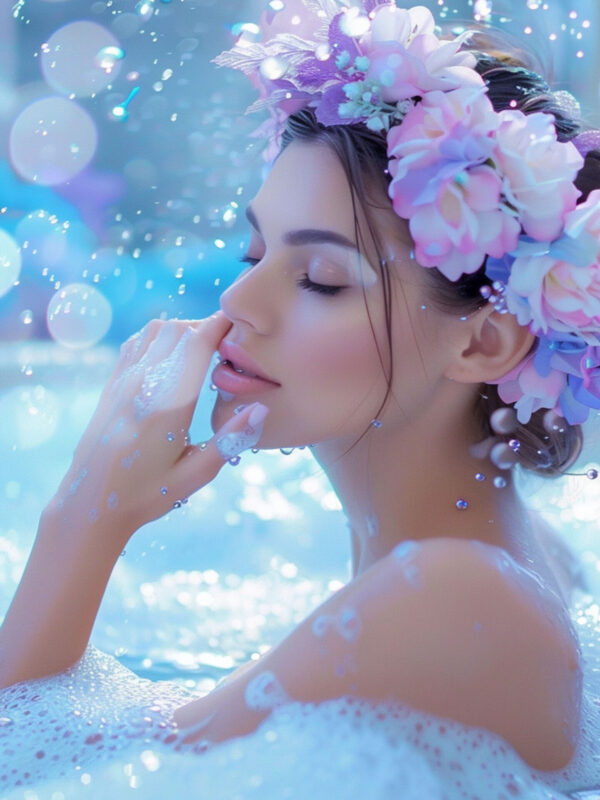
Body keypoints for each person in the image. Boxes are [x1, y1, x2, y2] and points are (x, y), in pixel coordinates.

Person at [1, 0, 599, 777]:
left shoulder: (455, 598)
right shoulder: (519, 560)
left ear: (484, 341)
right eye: (253, 253)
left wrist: (86, 513)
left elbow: (40, 771)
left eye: (320, 280)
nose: (237, 304)